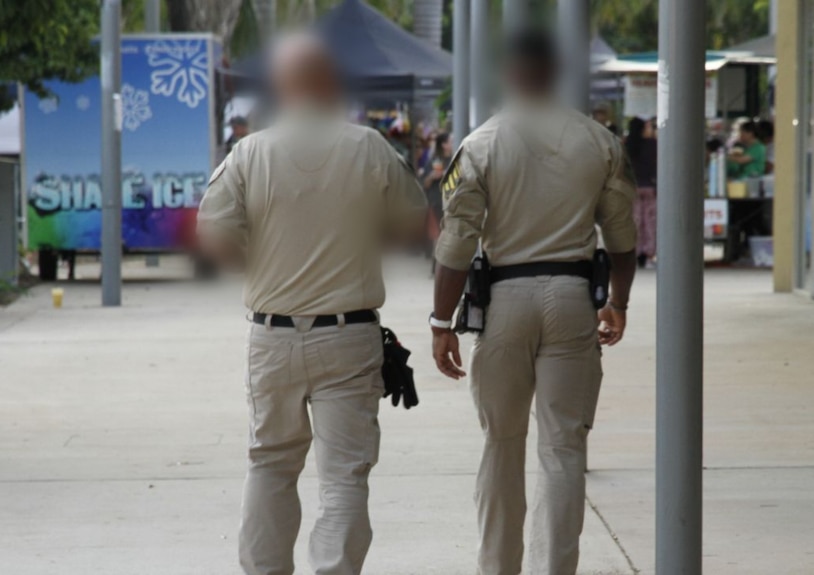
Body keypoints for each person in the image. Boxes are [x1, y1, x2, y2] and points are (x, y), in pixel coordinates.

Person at [196, 34, 426, 575]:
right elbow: (412, 224)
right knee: (344, 475)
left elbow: (214, 236)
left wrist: (262, 266)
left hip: (271, 335)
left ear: (283, 86)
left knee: (270, 464)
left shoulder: (250, 151)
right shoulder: (369, 147)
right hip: (348, 335)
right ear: (329, 84)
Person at [428, 29, 637, 575]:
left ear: (509, 74)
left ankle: (498, 567)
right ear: (557, 72)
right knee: (564, 449)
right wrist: (619, 302)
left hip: (504, 301)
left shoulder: (481, 144)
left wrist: (440, 321)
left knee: (501, 443)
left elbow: (456, 243)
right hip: (573, 299)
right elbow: (622, 239)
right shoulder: (600, 142)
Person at [626, 117, 658, 268]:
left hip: (632, 188)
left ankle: (634, 253)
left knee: (635, 221)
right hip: (649, 187)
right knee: (650, 221)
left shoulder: (626, 145)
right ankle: (649, 255)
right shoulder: (653, 145)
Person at [421, 132, 453, 271]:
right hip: (436, 201)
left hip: (452, 202)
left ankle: (442, 264)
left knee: (448, 234)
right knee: (437, 234)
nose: (452, 143)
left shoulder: (455, 159)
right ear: (444, 144)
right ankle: (438, 265)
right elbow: (424, 183)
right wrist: (433, 176)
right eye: (450, 141)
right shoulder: (435, 160)